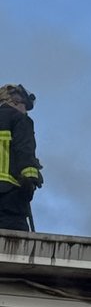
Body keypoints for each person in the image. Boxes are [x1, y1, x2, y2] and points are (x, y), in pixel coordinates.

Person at [0, 84, 42, 232]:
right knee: (15, 244)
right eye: (24, 106)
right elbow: (24, 150)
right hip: (8, 195)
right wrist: (30, 180)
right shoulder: (19, 119)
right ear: (14, 101)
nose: (25, 112)